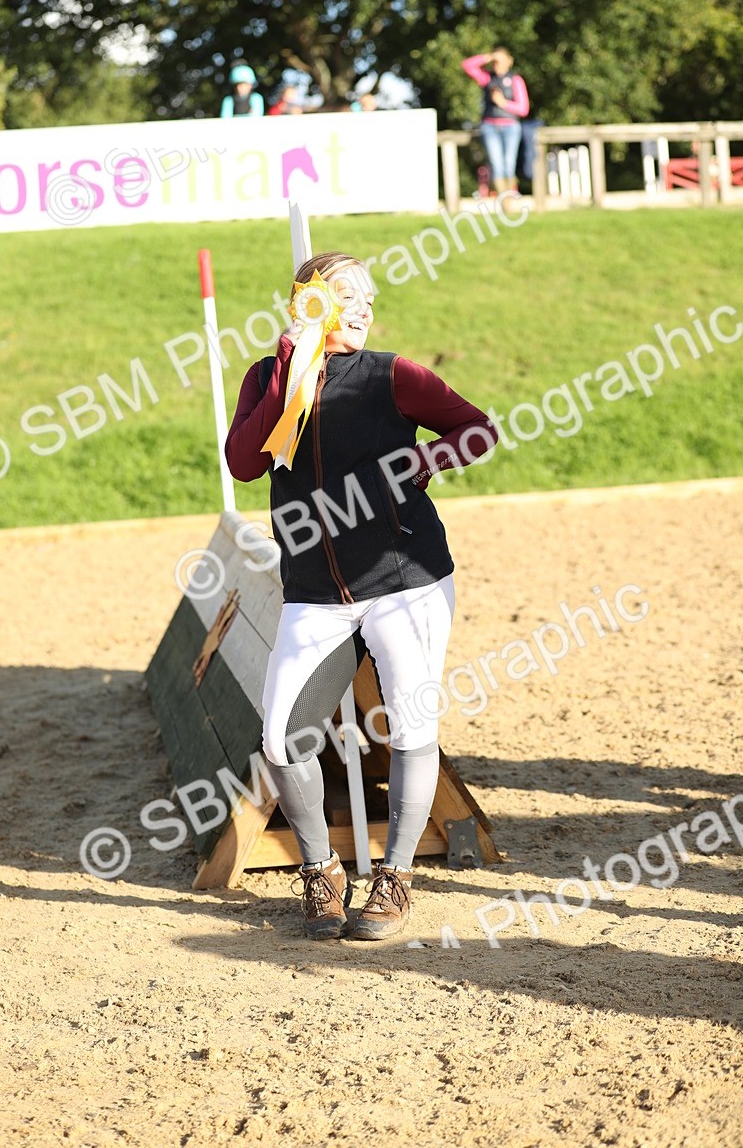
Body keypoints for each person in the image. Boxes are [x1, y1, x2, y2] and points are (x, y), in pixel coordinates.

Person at [225, 252, 498, 941]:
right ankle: (321, 872)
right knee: (283, 739)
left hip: (407, 581)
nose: (366, 305)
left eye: (370, 296)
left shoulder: (393, 374)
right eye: (348, 295)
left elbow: (477, 430)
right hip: (313, 592)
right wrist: (289, 372)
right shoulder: (268, 377)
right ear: (309, 304)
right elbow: (244, 462)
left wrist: (422, 465)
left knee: (411, 727)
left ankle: (396, 879)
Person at [461, 48, 529, 193]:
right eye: (495, 61)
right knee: (496, 165)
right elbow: (467, 65)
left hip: (510, 127)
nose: (497, 64)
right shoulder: (487, 78)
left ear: (509, 62)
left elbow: (524, 109)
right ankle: (503, 200)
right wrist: (488, 57)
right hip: (490, 127)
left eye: (501, 60)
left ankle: (510, 198)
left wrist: (504, 103)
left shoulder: (515, 80)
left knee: (508, 165)